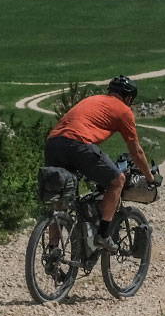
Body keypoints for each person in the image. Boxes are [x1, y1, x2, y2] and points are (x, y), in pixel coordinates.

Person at [45, 75, 155, 251]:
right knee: (117, 180)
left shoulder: (93, 99)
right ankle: (103, 235)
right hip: (78, 143)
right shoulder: (124, 111)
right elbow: (136, 151)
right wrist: (149, 178)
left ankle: (53, 251)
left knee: (61, 201)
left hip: (53, 143)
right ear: (128, 97)